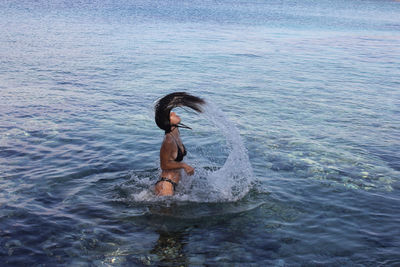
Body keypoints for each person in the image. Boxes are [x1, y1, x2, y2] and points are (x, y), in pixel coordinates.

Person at [154, 92, 205, 196]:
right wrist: (184, 165)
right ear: (167, 121)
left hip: (175, 184)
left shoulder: (175, 131)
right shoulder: (168, 140)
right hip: (166, 186)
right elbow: (164, 165)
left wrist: (182, 101)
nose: (174, 113)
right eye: (170, 114)